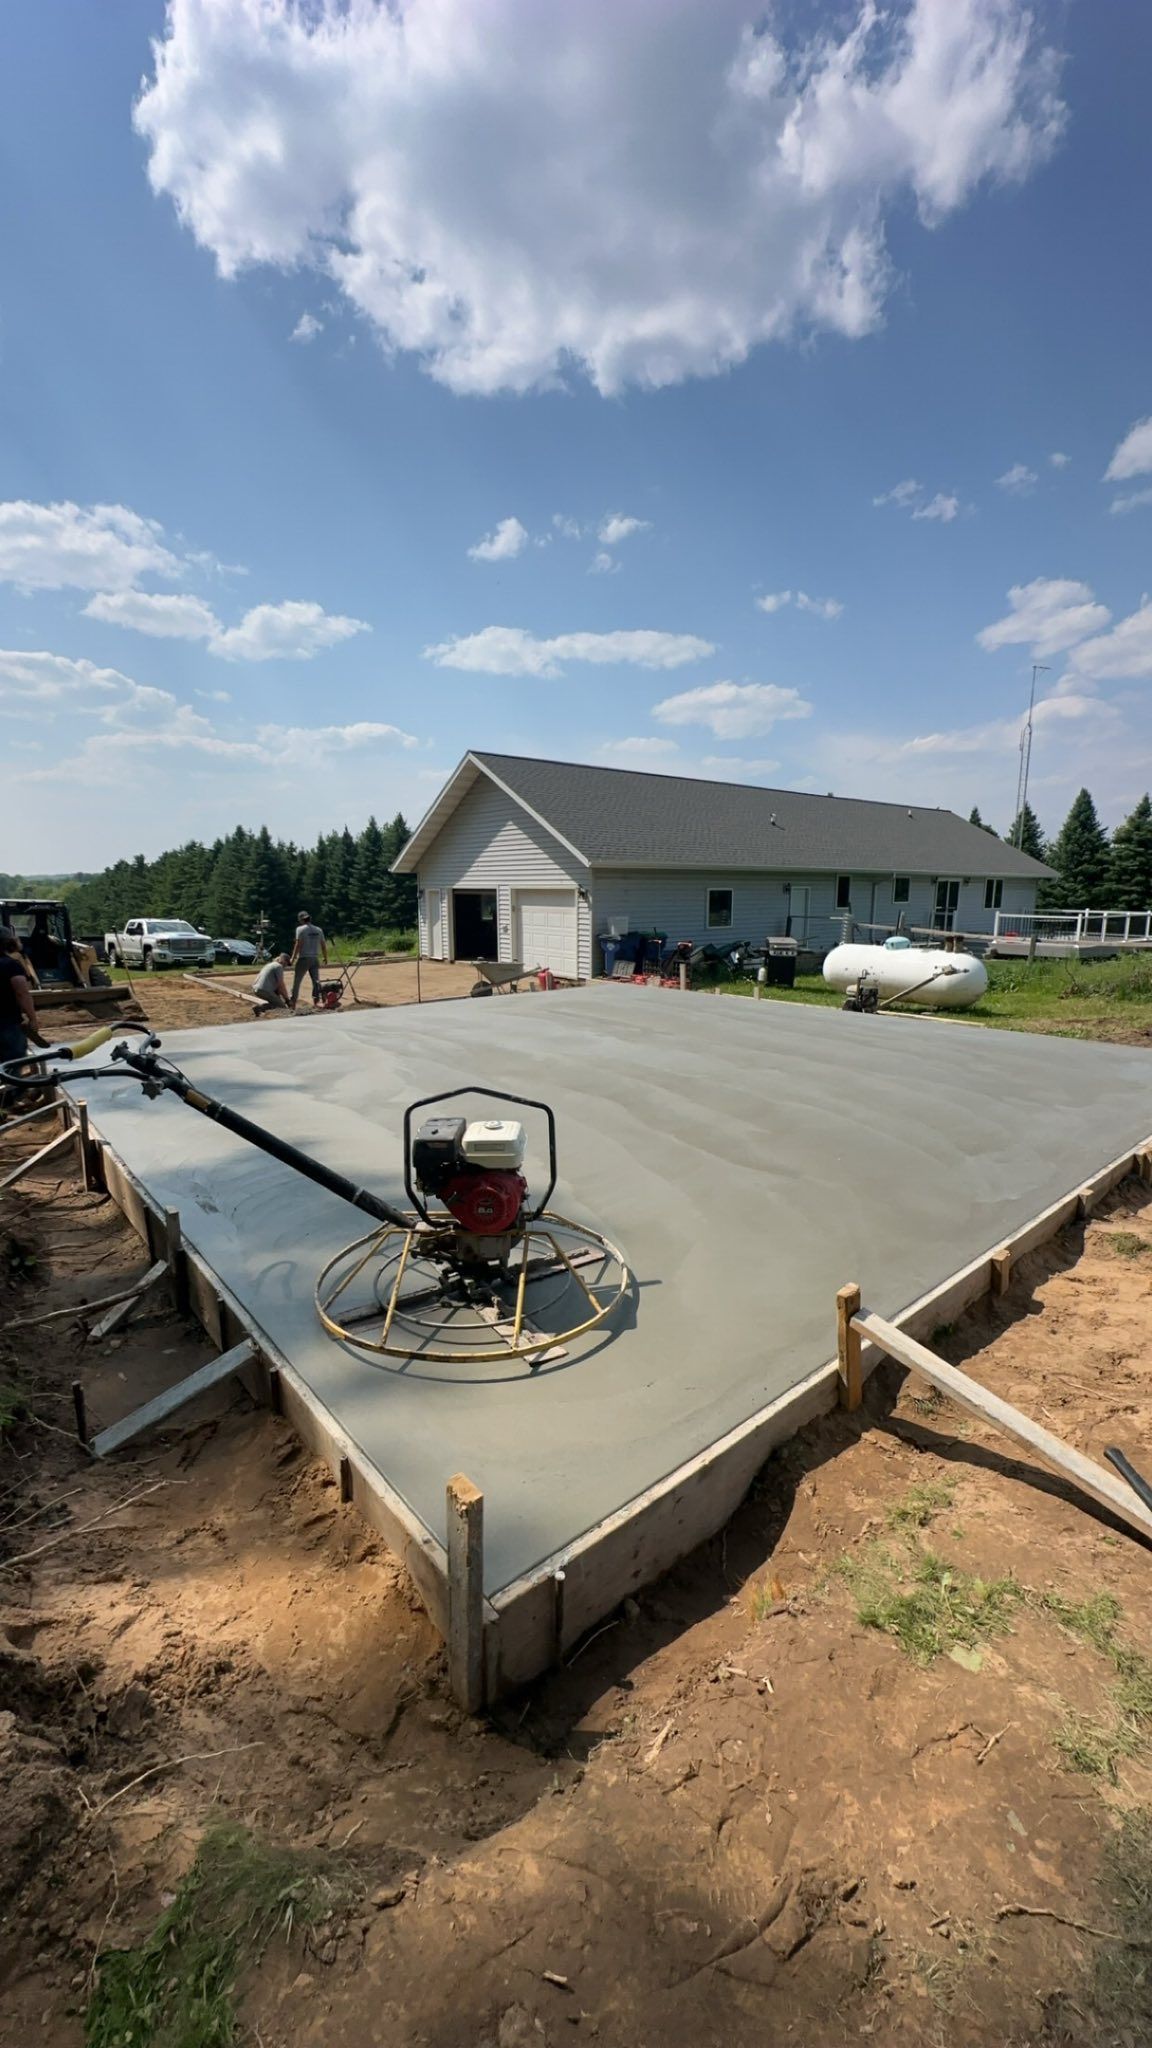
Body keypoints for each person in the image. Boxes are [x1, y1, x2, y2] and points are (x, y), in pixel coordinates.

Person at [0, 926, 39, 1072]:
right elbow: (22, 993)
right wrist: (32, 1018)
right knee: (12, 1063)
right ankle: (12, 1093)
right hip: (7, 1023)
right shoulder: (10, 965)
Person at [290, 910, 328, 1009]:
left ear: (301, 919)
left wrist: (293, 958)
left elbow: (298, 944)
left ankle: (293, 1003)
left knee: (297, 981)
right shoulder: (318, 930)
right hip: (315, 959)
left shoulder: (300, 929)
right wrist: (325, 957)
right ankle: (316, 1002)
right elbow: (323, 945)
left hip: (304, 958)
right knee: (316, 982)